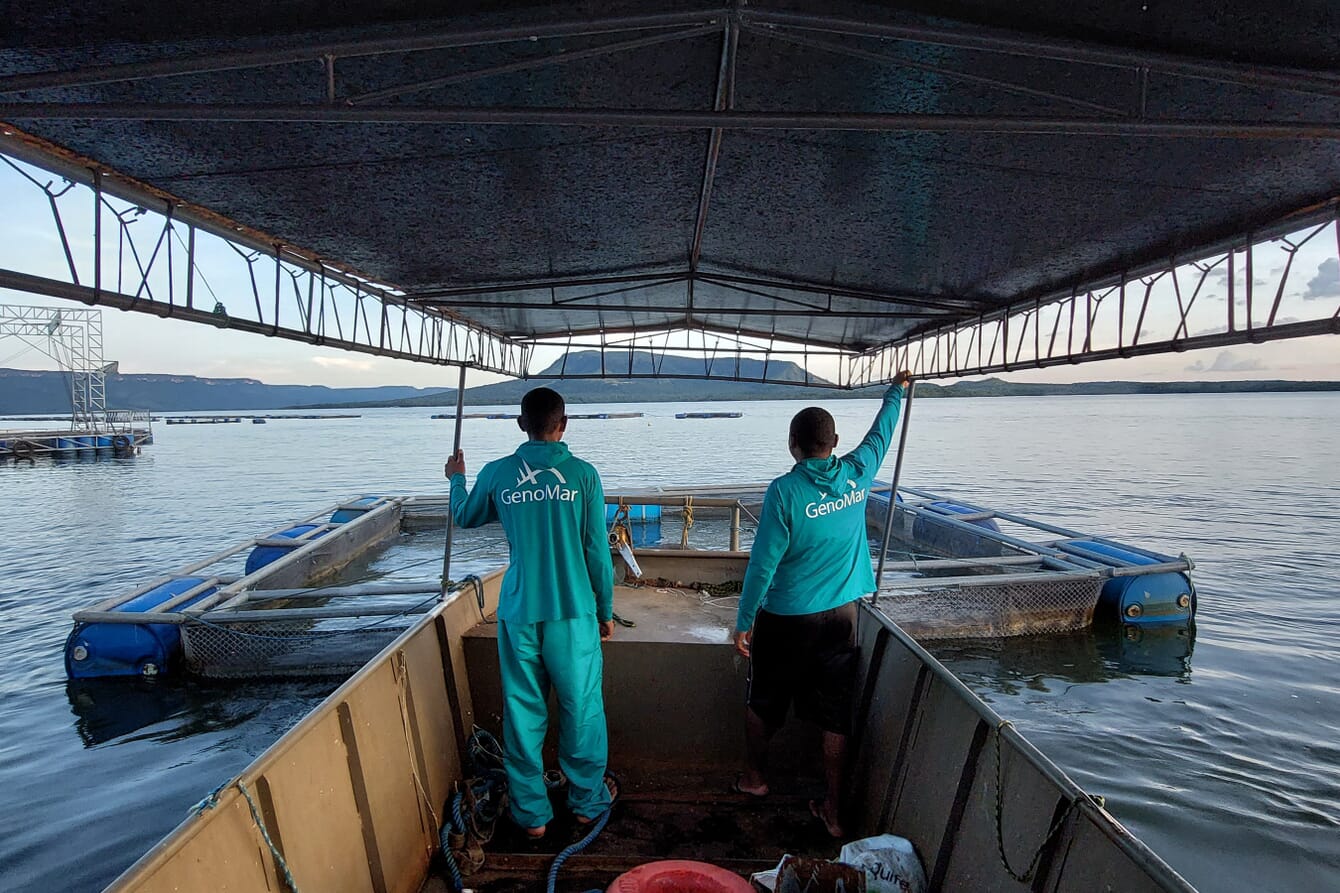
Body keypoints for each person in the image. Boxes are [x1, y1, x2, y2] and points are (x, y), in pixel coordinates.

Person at [732, 370, 912, 838]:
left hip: (787, 619)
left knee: (763, 701)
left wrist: (744, 621)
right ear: (834, 442)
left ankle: (754, 779)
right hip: (842, 617)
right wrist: (897, 391)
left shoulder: (785, 492)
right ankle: (833, 811)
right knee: (836, 714)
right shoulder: (857, 473)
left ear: (793, 445)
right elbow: (882, 433)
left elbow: (762, 565)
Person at [445, 386, 616, 839]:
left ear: (522, 424)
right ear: (563, 425)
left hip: (519, 609)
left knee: (522, 711)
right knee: (581, 709)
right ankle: (586, 802)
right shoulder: (583, 476)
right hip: (574, 612)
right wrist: (605, 609)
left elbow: (464, 515)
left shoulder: (499, 473)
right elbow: (597, 550)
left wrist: (456, 478)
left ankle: (532, 815)